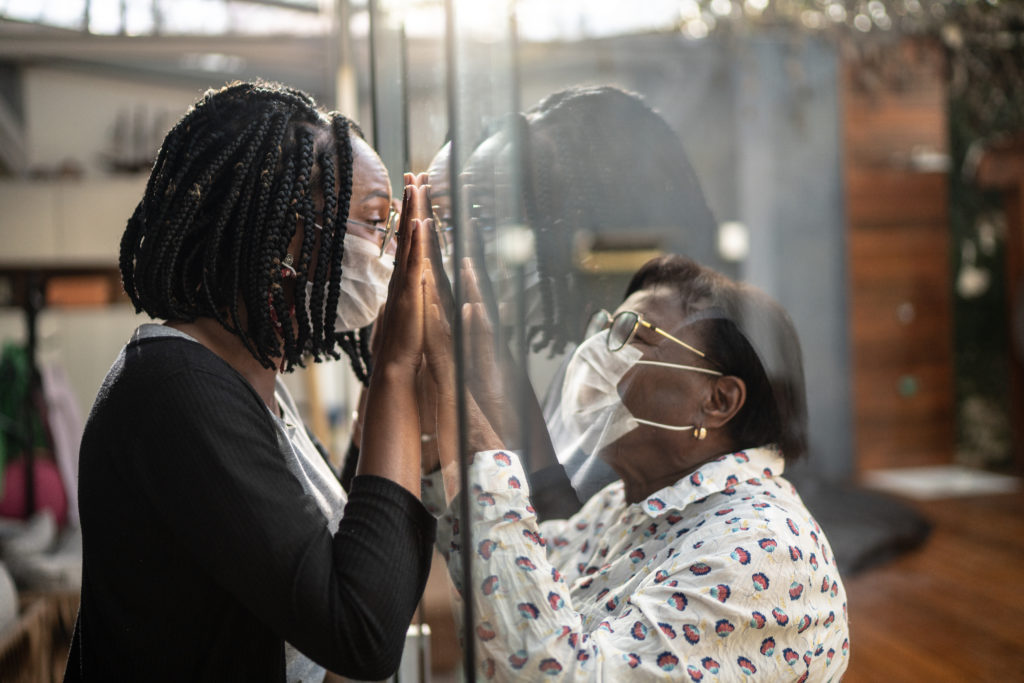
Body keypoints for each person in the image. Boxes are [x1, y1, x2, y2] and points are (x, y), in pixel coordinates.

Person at [66, 81, 437, 682]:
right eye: (375, 221)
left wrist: (382, 414)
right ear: (284, 233)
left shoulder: (241, 383)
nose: (390, 251)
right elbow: (360, 631)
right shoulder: (173, 389)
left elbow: (320, 558)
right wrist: (394, 369)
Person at [418, 254, 850, 680]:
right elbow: (512, 580)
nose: (596, 354)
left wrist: (476, 441)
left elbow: (561, 674)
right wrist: (444, 427)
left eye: (632, 334)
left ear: (718, 401)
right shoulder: (625, 505)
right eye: (605, 328)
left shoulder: (764, 549)